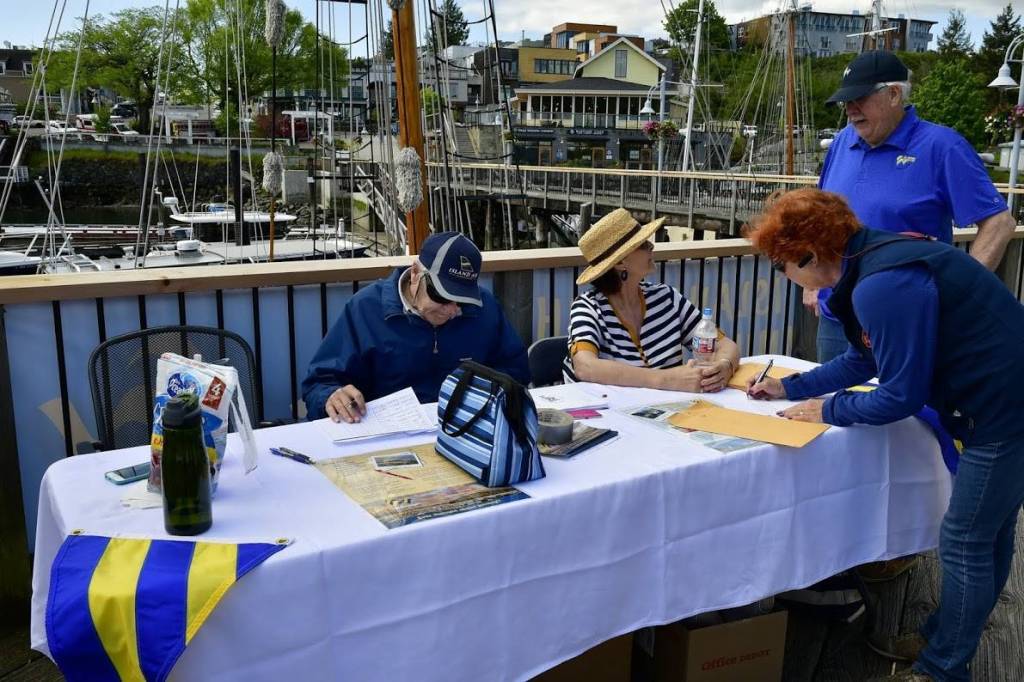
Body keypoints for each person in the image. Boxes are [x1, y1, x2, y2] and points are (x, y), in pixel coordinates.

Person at [746, 188, 1024, 682]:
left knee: (964, 539)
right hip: (1001, 400)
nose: (782, 275)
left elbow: (899, 394)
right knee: (989, 533)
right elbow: (864, 357)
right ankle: (950, 638)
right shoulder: (870, 260)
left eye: (778, 264)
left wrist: (829, 409)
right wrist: (790, 387)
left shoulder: (882, 285)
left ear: (807, 256)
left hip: (1004, 413)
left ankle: (941, 667)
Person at [807, 50, 1016, 362]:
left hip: (906, 323)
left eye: (859, 98)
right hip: (838, 320)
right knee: (830, 406)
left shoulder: (942, 146)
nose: (850, 109)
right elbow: (820, 216)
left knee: (902, 410)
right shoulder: (841, 142)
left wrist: (958, 291)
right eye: (846, 101)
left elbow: (999, 222)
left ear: (894, 94)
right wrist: (811, 283)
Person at [301, 232, 530, 422]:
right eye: (441, 295)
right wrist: (332, 396)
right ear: (414, 275)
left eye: (461, 300)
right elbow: (319, 382)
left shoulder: (485, 307)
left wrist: (485, 393)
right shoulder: (364, 309)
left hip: (466, 429)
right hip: (386, 436)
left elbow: (516, 369)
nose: (451, 309)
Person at [564, 208, 740, 392]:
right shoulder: (588, 308)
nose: (651, 246)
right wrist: (666, 379)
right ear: (620, 263)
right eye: (642, 244)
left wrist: (724, 367)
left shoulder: (667, 298)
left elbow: (726, 344)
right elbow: (585, 366)